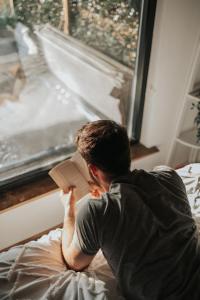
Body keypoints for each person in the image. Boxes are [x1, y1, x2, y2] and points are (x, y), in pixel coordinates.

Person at [61, 120, 200, 300]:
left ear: (93, 170)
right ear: (128, 154)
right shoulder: (169, 176)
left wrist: (69, 210)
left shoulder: (95, 211)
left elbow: (74, 262)